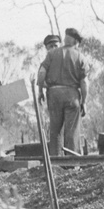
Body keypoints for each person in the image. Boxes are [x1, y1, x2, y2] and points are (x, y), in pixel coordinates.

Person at [37, 27, 89, 155]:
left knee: (55, 131)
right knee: (71, 131)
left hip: (54, 95)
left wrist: (40, 92)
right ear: (75, 42)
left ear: (65, 39)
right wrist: (84, 102)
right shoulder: (80, 57)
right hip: (72, 96)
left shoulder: (51, 54)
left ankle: (55, 162)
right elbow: (84, 82)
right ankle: (71, 163)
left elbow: (41, 73)